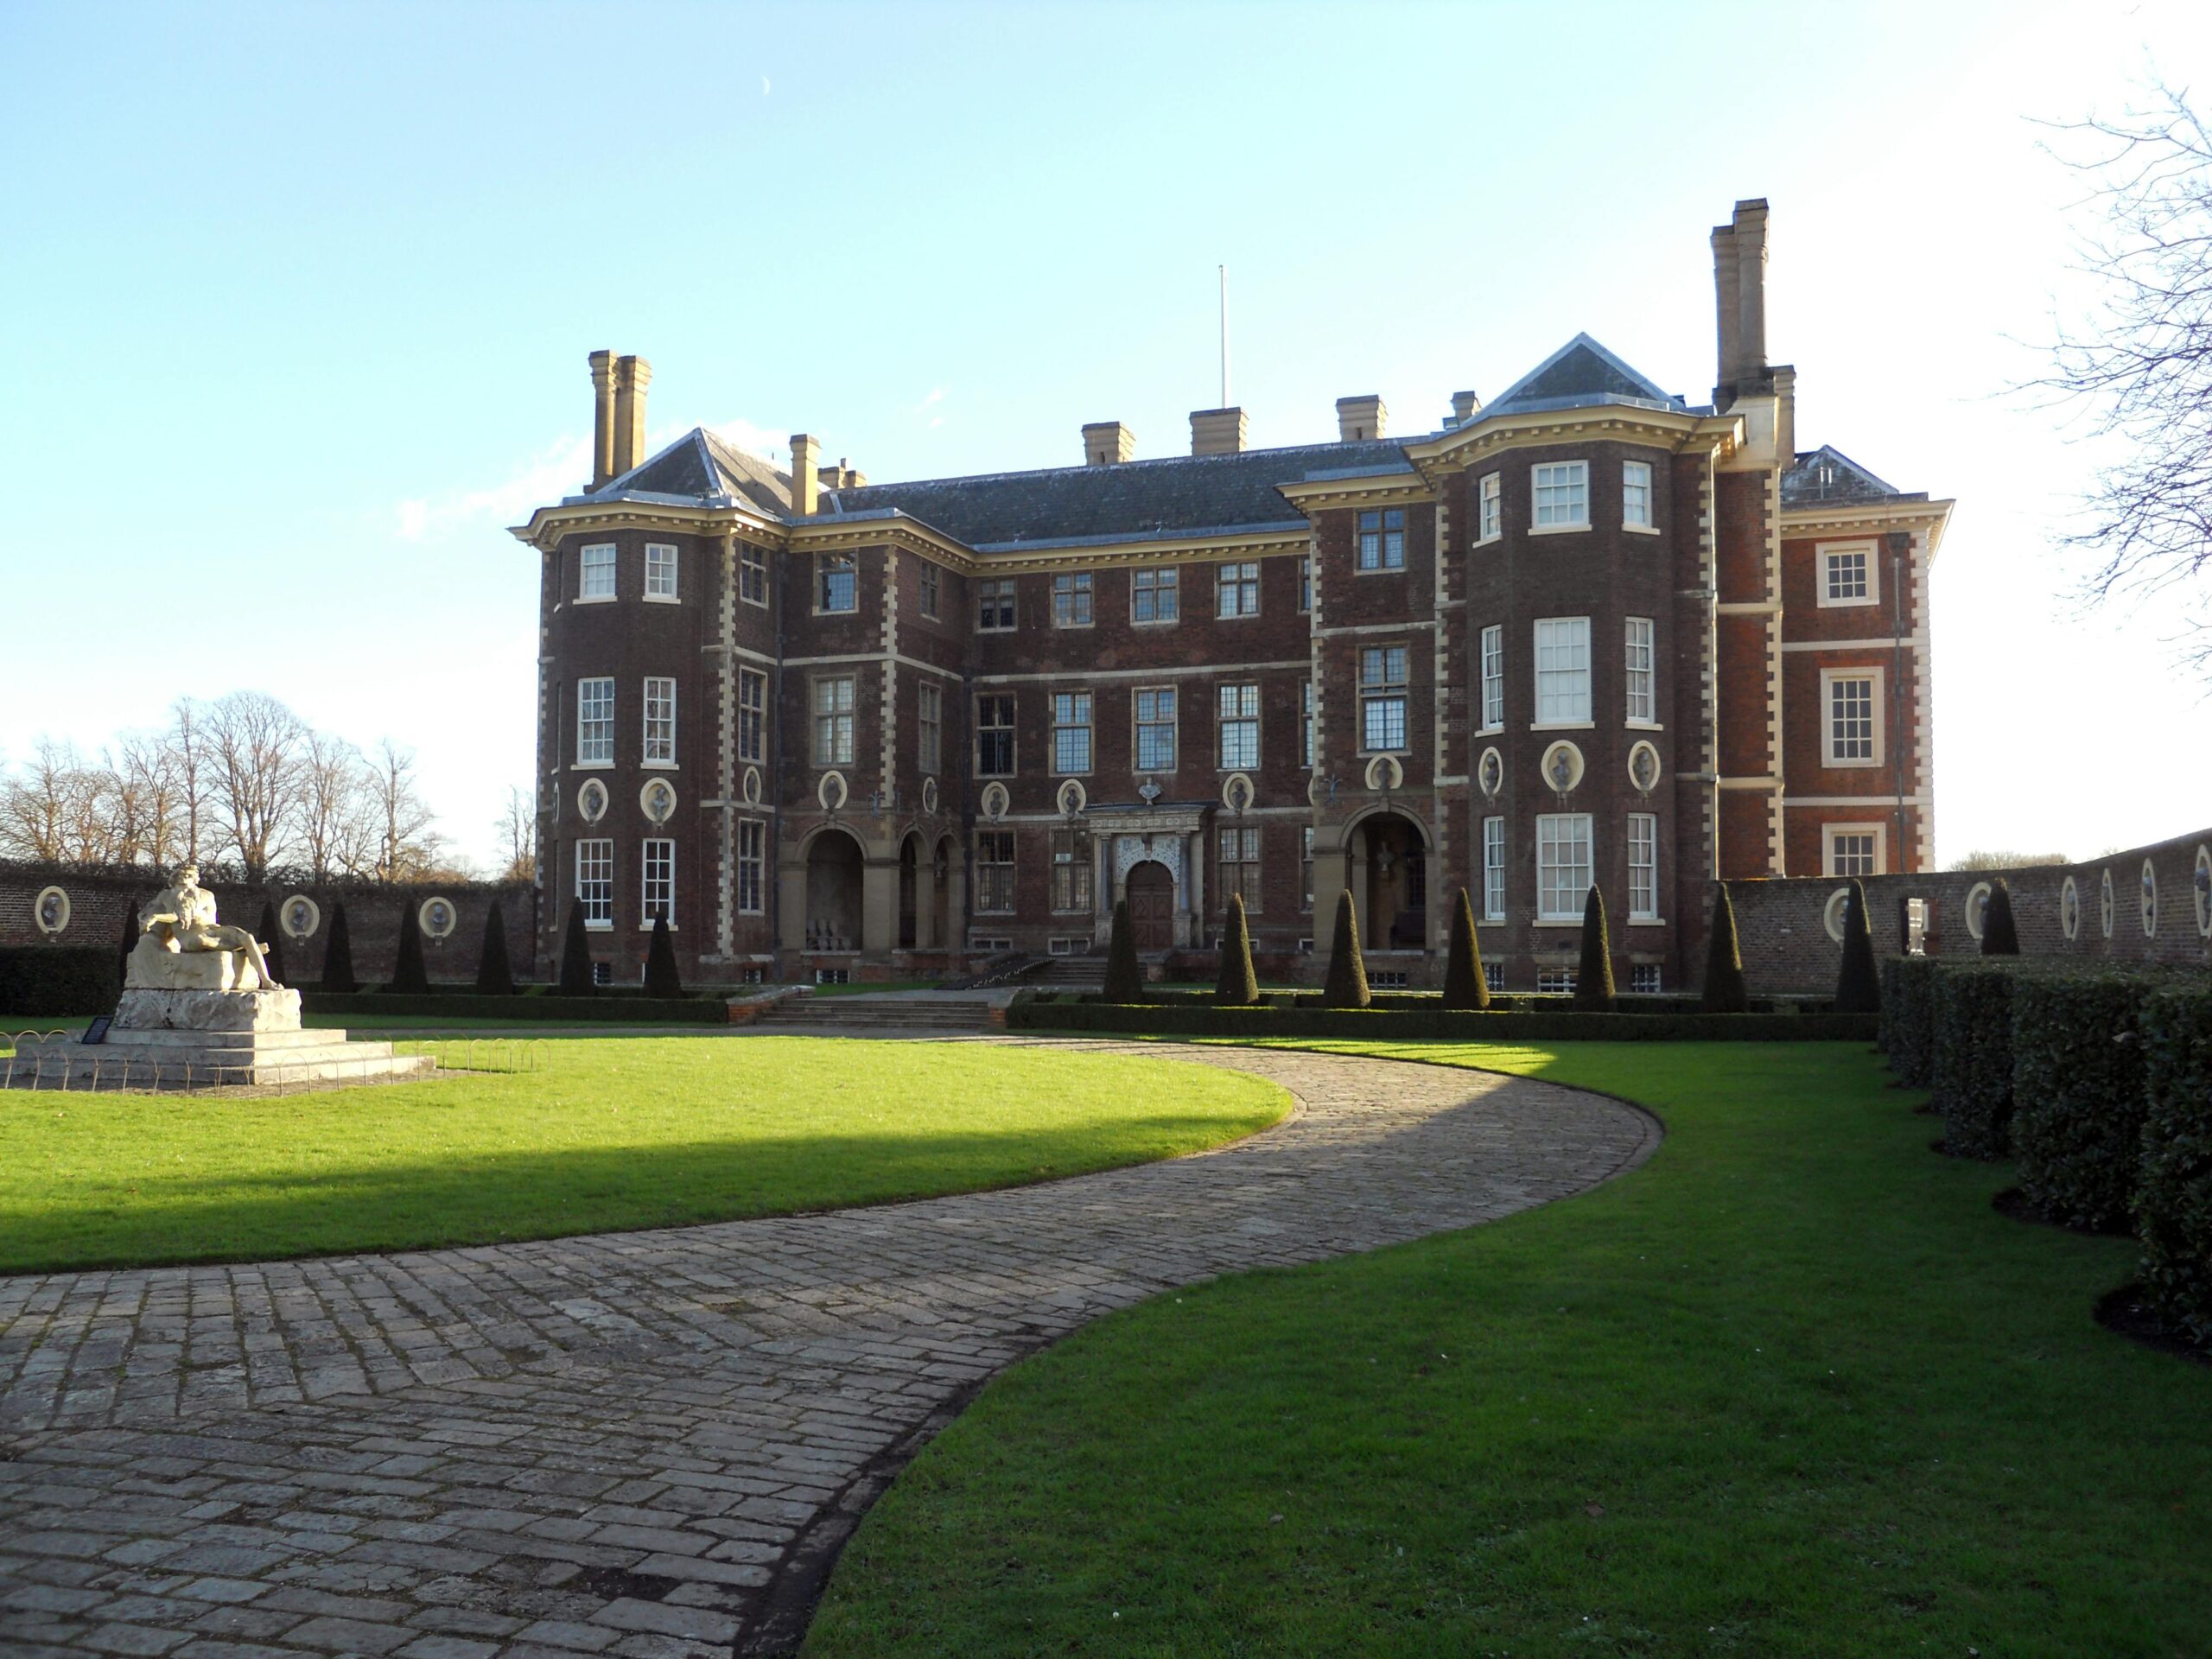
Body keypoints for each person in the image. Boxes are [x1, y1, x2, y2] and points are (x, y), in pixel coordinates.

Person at [139, 865, 279, 990]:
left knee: (247, 937)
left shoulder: (206, 896)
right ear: (174, 880)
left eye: (188, 876)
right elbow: (151, 910)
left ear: (195, 880)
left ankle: (266, 980)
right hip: (189, 937)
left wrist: (159, 917)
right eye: (180, 877)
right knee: (202, 940)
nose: (183, 879)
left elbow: (189, 916)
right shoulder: (166, 896)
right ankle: (244, 948)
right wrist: (148, 918)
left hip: (211, 929)